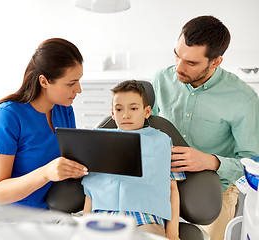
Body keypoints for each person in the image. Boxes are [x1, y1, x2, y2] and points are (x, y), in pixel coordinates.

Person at [151, 15, 259, 240]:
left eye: (191, 63)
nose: (179, 67)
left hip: (214, 191)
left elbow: (252, 162)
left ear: (216, 61)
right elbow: (144, 129)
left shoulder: (243, 98)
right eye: (177, 55)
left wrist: (210, 161)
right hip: (162, 182)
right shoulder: (162, 79)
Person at [0, 38, 88, 210]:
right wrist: (46, 173)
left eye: (78, 81)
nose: (79, 89)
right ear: (44, 82)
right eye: (71, 83)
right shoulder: (5, 118)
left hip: (46, 212)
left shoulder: (63, 110)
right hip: (3, 220)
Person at [82, 80, 185, 239]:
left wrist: (173, 234)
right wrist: (84, 225)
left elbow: (172, 189)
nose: (125, 115)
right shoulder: (100, 141)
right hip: (105, 218)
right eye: (119, 109)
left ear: (147, 111)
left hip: (146, 219)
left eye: (134, 108)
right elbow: (91, 189)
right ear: (112, 112)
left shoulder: (162, 142)